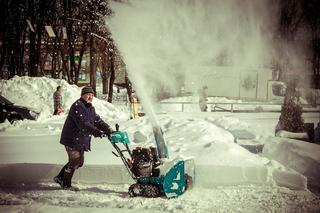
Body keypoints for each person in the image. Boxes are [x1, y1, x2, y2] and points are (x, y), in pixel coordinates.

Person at [54, 86, 113, 190]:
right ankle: (65, 184)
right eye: (88, 95)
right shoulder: (78, 106)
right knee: (74, 161)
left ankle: (60, 177)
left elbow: (97, 121)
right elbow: (83, 124)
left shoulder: (90, 108)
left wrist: (109, 129)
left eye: (92, 95)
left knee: (79, 162)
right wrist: (96, 132)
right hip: (72, 139)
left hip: (80, 139)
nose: (90, 97)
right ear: (82, 95)